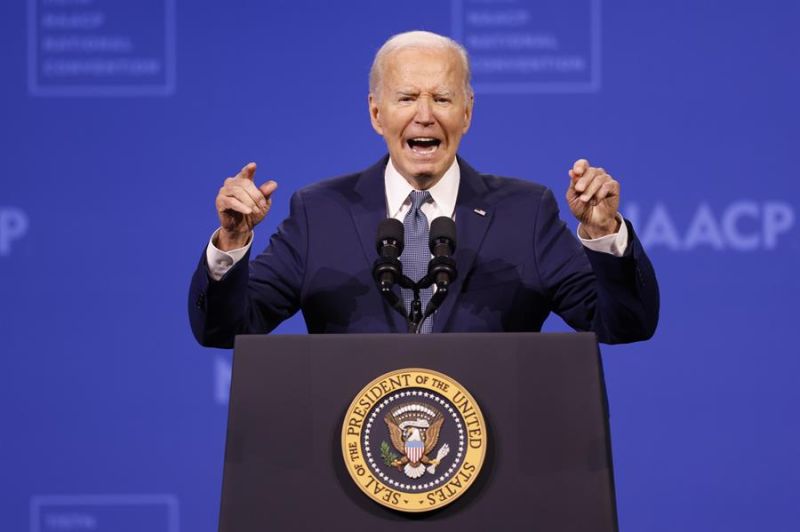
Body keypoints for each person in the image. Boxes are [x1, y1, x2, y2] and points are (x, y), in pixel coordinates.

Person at [189, 31, 659, 347]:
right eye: (408, 97)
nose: (425, 114)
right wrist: (231, 243)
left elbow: (623, 325)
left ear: (468, 112)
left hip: (494, 473)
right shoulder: (319, 212)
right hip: (352, 476)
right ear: (377, 114)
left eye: (442, 97)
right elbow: (227, 330)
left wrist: (605, 234)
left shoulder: (525, 212)